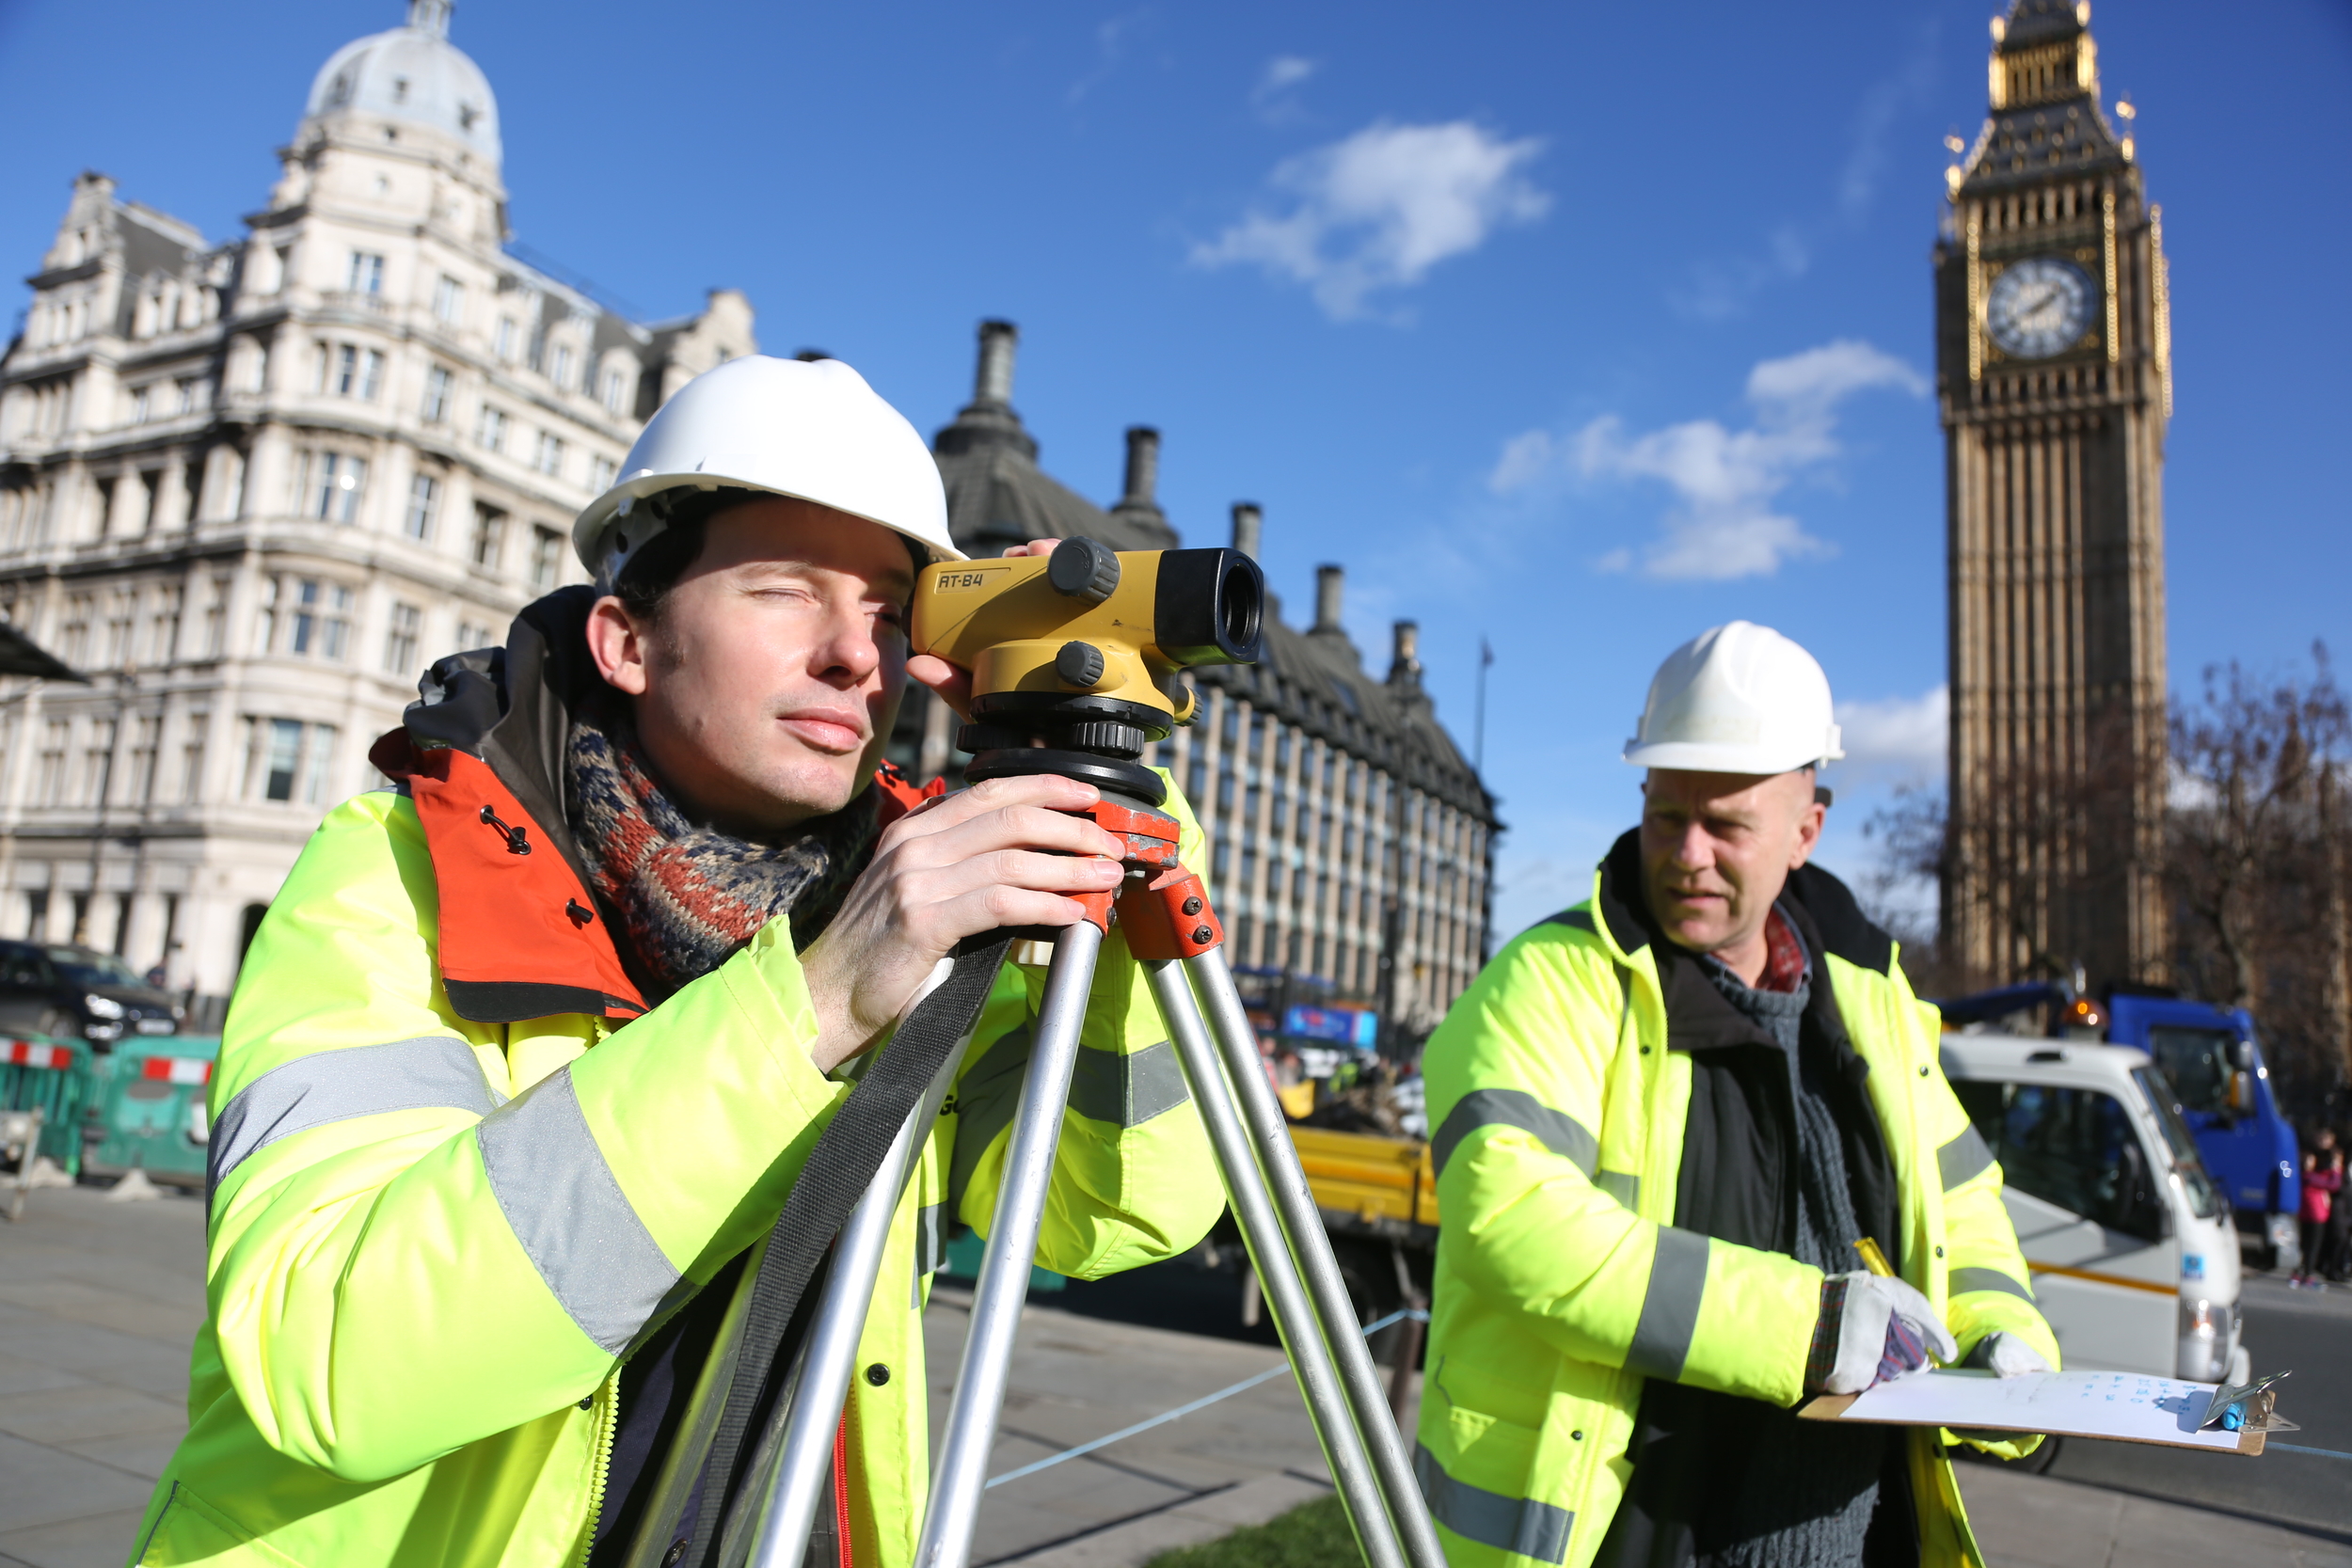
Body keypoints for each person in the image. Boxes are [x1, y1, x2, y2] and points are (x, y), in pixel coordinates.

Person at [128, 356, 1223, 1568]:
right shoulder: (400, 873)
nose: (853, 656)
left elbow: (1113, 1217)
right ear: (626, 638)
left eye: (885, 611)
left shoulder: (926, 904)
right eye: (783, 591)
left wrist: (1101, 811)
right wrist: (815, 1000)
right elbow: (324, 1358)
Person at [1415, 622, 2060, 1568]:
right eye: (1665, 812)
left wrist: (2006, 1341)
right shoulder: (1552, 977)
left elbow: (1961, 1206)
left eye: (1726, 824)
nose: (1684, 852)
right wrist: (1808, 1327)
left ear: (1807, 830)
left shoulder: (1876, 1000)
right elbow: (1513, 1219)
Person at [2295, 1130, 2341, 1287]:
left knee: (2309, 1243)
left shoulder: (2315, 1172)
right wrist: (2335, 1169)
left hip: (2314, 1211)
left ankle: (2303, 1272)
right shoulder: (2309, 1176)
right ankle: (2307, 1274)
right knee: (2311, 1244)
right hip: (2315, 1212)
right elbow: (2332, 1184)